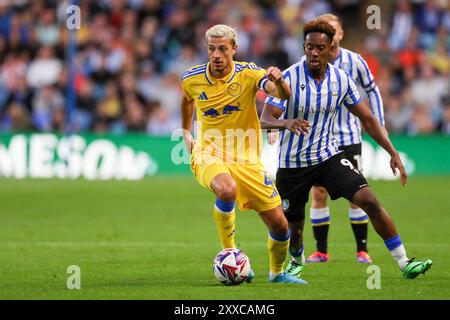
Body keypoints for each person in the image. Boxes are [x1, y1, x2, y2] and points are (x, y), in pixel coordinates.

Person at [260, 20, 432, 280]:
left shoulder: (341, 79)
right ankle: (296, 261)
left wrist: (392, 152)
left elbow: (368, 119)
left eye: (319, 48)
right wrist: (286, 122)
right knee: (293, 228)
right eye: (309, 47)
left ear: (331, 49)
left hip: (328, 156)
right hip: (293, 163)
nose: (314, 53)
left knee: (369, 200)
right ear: (304, 48)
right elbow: (264, 119)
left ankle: (404, 262)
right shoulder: (289, 78)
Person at [180, 24, 306, 284]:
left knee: (281, 226)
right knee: (226, 189)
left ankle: (277, 274)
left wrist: (278, 80)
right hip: (208, 152)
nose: (216, 55)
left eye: (223, 49)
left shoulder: (249, 73)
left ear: (234, 49)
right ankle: (229, 251)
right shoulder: (191, 78)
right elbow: (186, 100)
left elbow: (282, 94)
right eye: (212, 49)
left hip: (247, 160)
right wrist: (185, 132)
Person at [305, 14, 386, 265]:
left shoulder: (355, 61)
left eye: (334, 29)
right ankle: (321, 251)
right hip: (319, 139)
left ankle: (362, 250)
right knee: (318, 192)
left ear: (339, 34)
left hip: (349, 137)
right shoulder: (309, 60)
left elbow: (372, 89)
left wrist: (379, 123)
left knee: (357, 194)